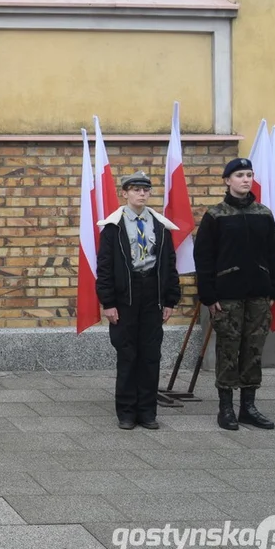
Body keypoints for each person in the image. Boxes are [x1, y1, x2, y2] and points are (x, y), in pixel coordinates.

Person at [194, 157, 275, 431]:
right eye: (240, 175)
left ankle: (248, 407)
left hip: (258, 294)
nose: (246, 179)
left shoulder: (263, 214)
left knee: (253, 349)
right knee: (228, 349)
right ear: (227, 180)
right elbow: (204, 257)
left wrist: (274, 289)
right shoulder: (215, 215)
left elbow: (274, 254)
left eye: (249, 174)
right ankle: (225, 408)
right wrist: (208, 295)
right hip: (227, 296)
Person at [96, 170, 181, 430]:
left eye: (145, 189)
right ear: (125, 193)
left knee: (150, 355)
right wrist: (108, 303)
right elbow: (105, 268)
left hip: (152, 296)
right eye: (135, 189)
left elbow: (169, 263)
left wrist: (170, 300)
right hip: (125, 297)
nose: (141, 193)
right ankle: (126, 412)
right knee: (128, 354)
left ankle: (147, 412)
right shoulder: (113, 227)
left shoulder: (160, 225)